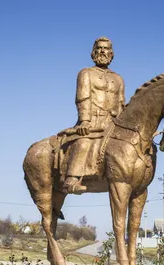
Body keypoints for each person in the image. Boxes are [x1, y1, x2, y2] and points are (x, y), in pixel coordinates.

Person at [63, 36, 125, 194]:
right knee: (83, 143)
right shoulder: (85, 73)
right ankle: (72, 178)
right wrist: (84, 121)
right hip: (92, 122)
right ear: (93, 53)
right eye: (99, 48)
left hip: (113, 124)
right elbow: (82, 98)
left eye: (106, 49)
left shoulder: (118, 79)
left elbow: (121, 104)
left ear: (111, 54)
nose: (103, 51)